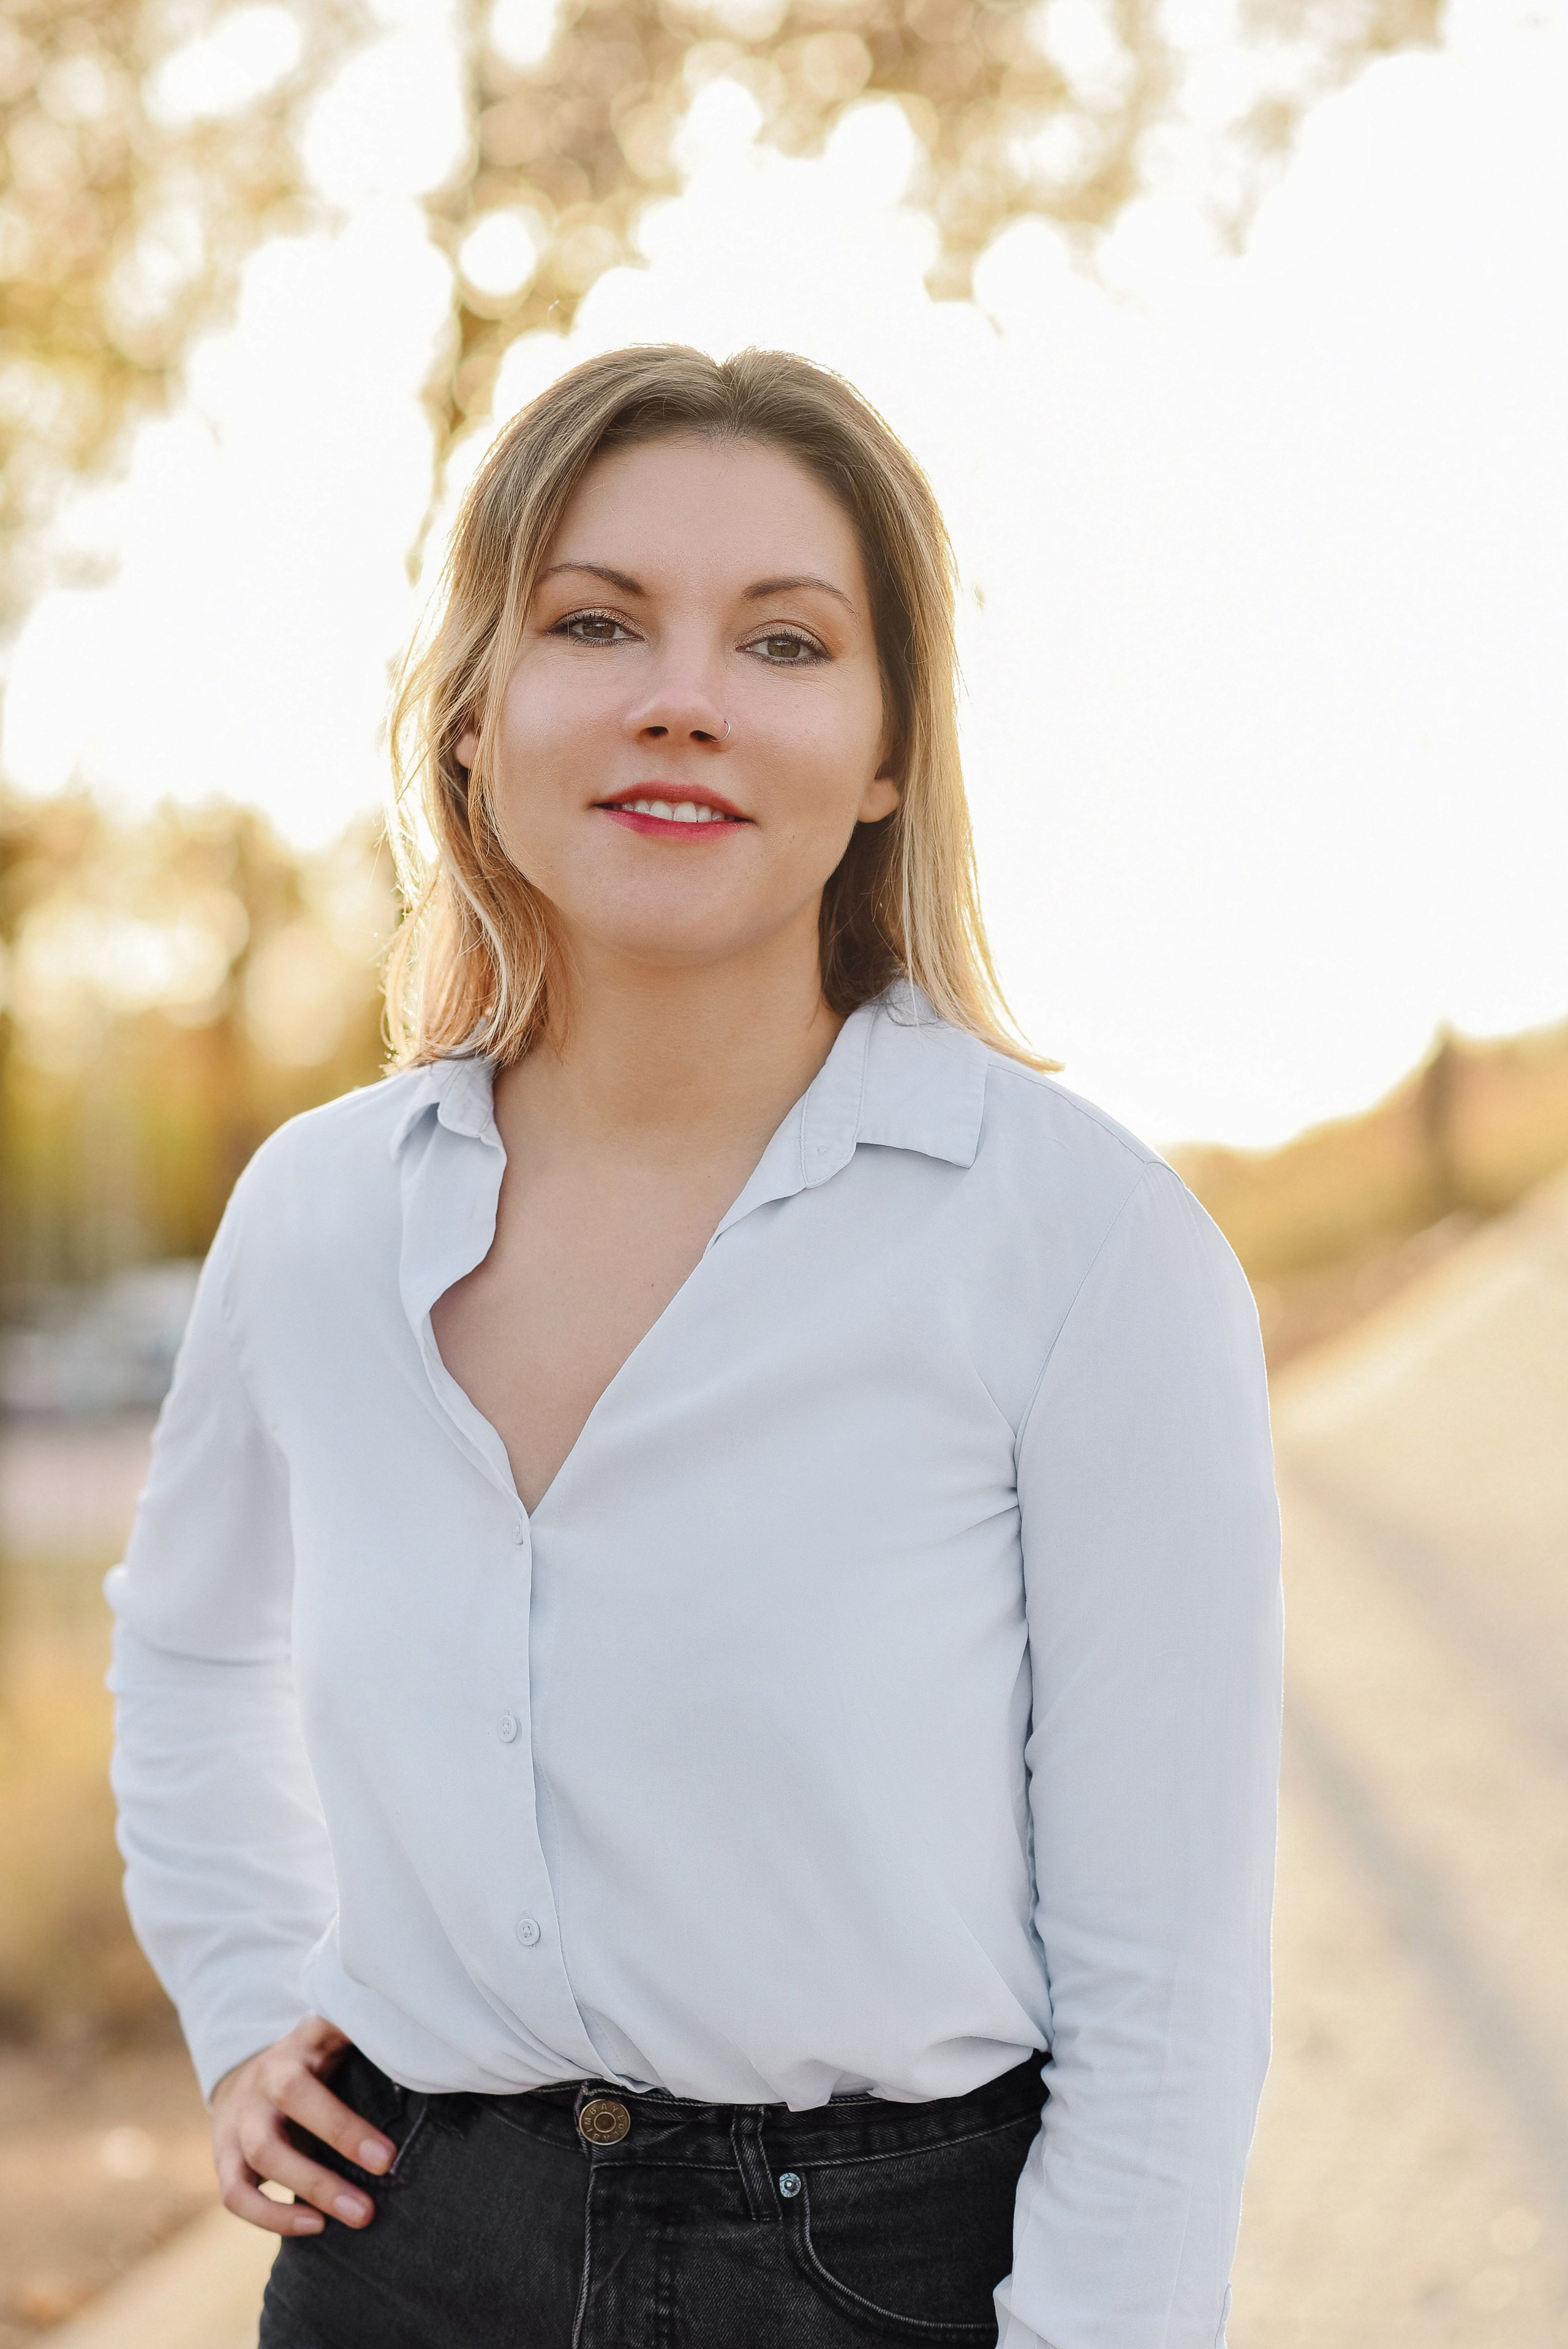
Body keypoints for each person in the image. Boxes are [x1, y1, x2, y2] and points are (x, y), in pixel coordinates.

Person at [108, 344, 1282, 2349]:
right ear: (474, 711)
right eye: (594, 619)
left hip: (880, 2276)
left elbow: (1166, 1980)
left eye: (786, 641)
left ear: (893, 747)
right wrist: (241, 2001)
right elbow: (195, 1640)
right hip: (402, 2250)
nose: (686, 693)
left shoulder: (1082, 1246)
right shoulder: (313, 1216)